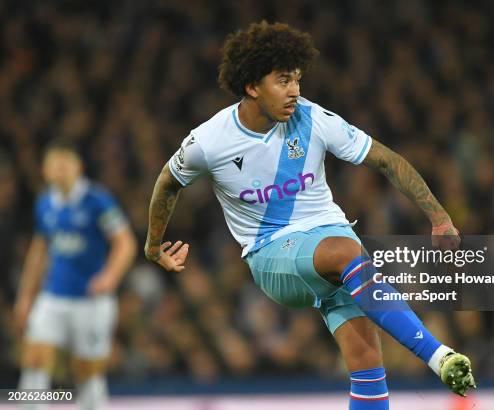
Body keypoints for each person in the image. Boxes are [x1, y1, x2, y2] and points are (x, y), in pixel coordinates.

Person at [144, 21, 475, 408]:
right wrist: (153, 245)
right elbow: (168, 182)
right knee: (345, 252)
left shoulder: (314, 118)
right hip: (270, 256)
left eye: (298, 80)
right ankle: (439, 357)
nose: (295, 91)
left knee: (367, 366)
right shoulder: (210, 141)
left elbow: (386, 160)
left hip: (332, 244)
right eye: (283, 81)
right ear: (252, 86)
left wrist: (440, 218)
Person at [14, 140, 137, 409]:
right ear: (45, 171)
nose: (59, 172)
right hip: (53, 296)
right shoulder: (45, 204)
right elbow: (40, 251)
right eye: (54, 167)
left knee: (87, 371)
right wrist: (25, 296)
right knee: (34, 358)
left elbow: (125, 242)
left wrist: (110, 277)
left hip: (91, 301)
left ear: (77, 167)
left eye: (64, 166)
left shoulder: (97, 201)